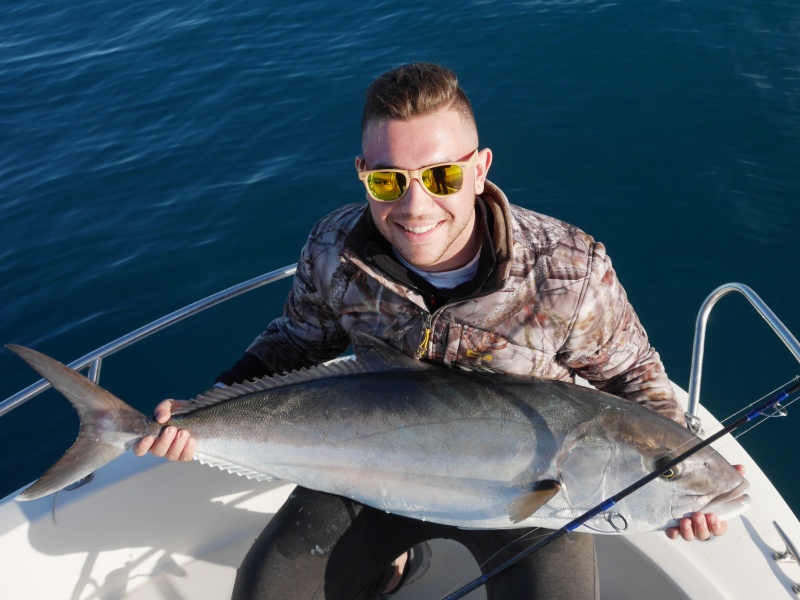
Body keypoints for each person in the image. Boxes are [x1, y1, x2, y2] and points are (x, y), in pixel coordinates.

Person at [134, 62, 737, 599]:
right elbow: (296, 341)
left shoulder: (567, 268)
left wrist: (683, 478)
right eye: (389, 181)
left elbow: (634, 377)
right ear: (364, 174)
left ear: (479, 170)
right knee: (268, 590)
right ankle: (391, 566)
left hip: (536, 495)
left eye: (442, 177)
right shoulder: (333, 249)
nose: (416, 206)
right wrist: (205, 409)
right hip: (370, 468)